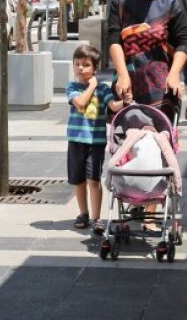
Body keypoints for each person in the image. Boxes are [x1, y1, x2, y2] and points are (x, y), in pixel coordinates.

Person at [108, 0, 187, 232]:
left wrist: (175, 73)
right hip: (128, 82)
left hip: (161, 87)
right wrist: (121, 74)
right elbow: (114, 39)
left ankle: (152, 209)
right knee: (127, 144)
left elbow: (183, 43)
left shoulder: (172, 4)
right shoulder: (120, 1)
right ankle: (127, 201)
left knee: (158, 146)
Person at [66, 45, 124, 232]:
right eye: (77, 64)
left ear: (95, 69)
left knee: (93, 180)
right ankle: (83, 213)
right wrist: (92, 85)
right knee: (78, 179)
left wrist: (127, 100)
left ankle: (97, 218)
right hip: (76, 141)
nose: (81, 68)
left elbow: (114, 106)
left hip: (96, 142)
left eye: (86, 64)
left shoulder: (103, 89)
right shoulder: (72, 87)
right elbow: (81, 103)